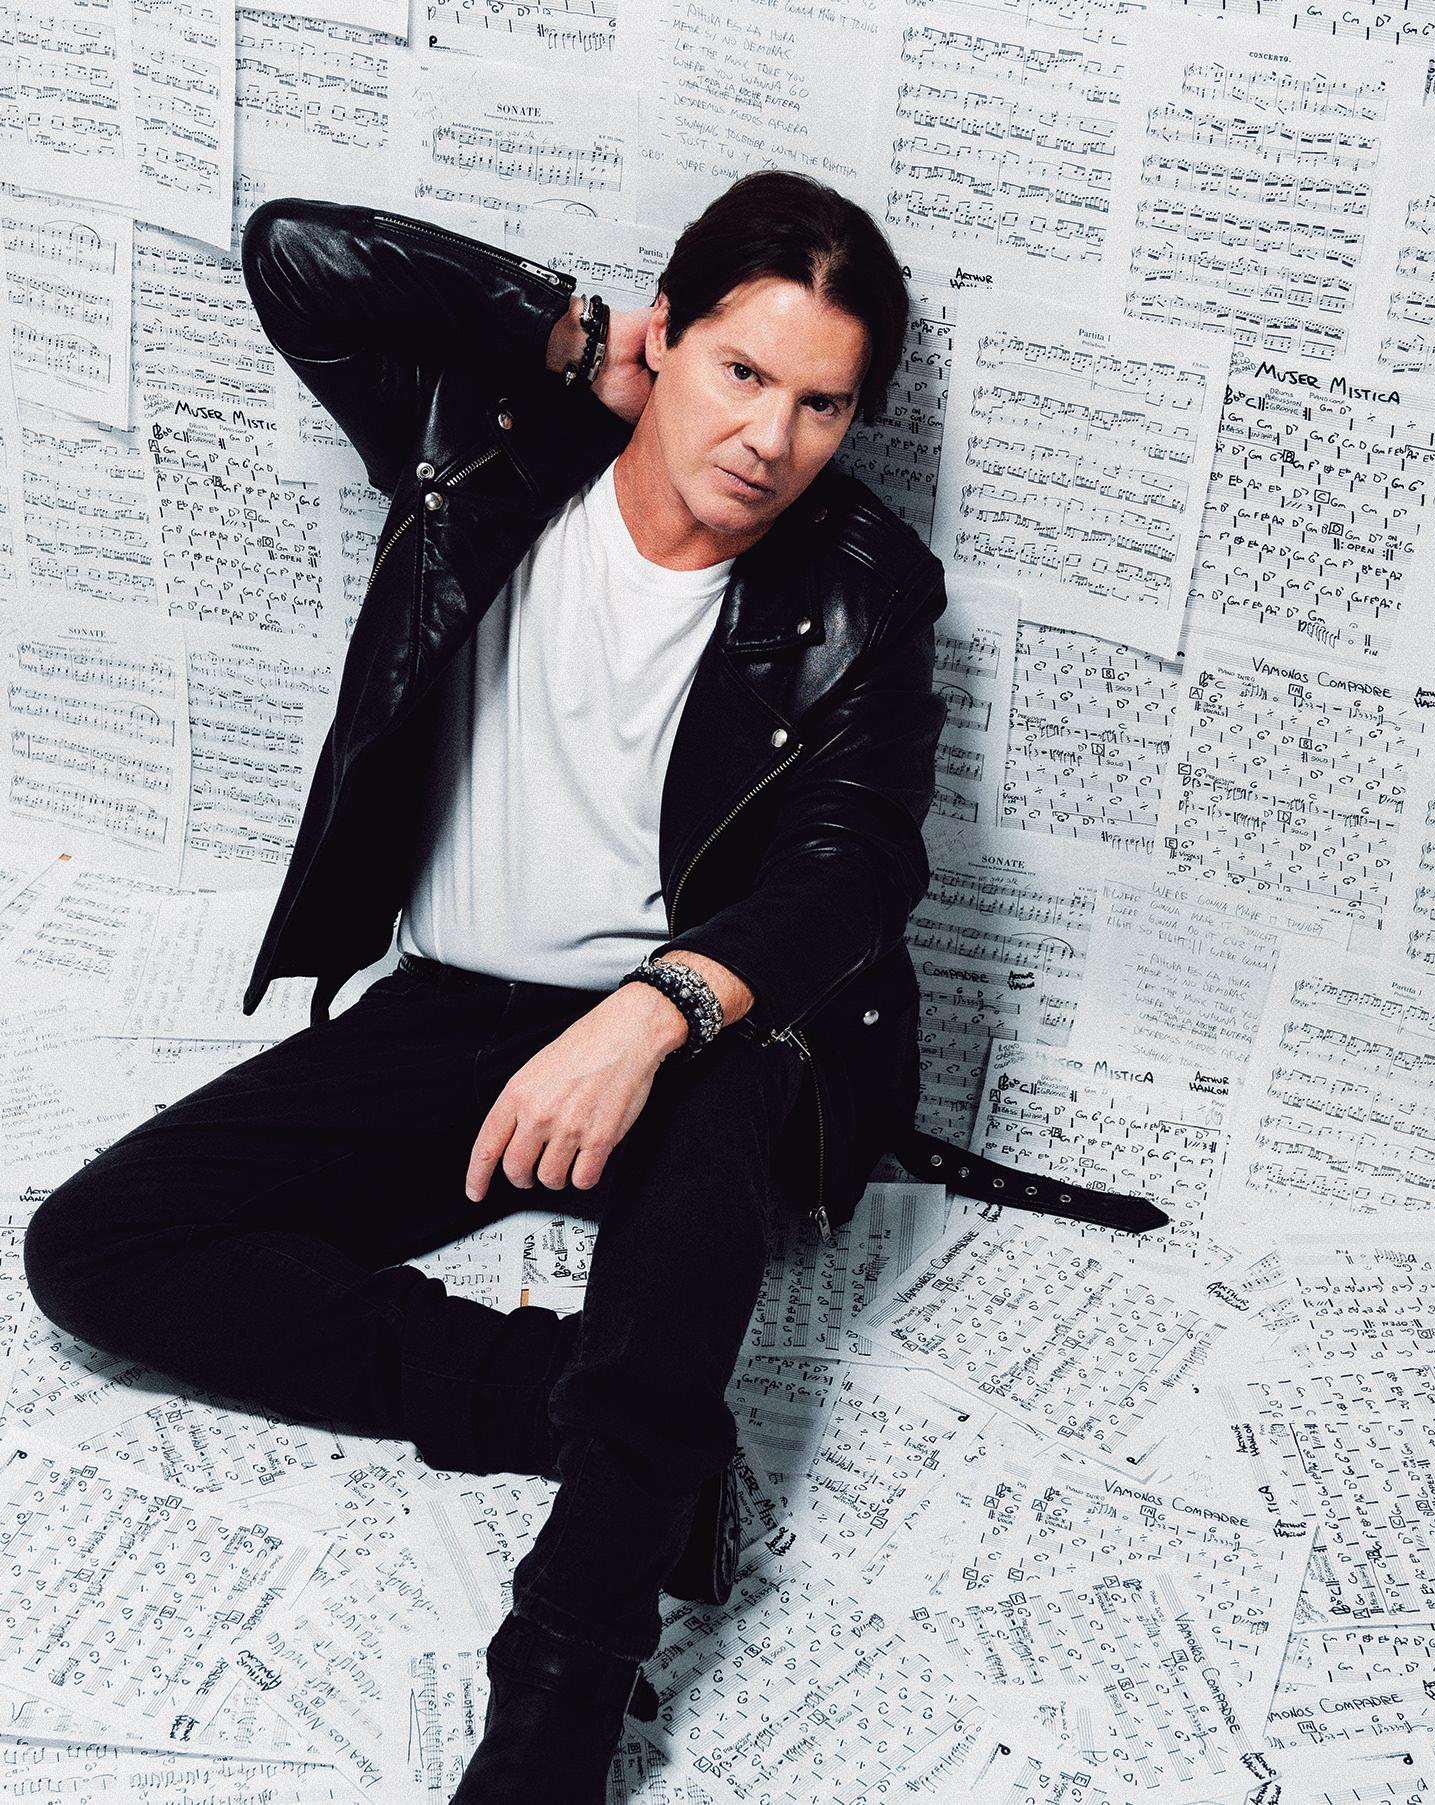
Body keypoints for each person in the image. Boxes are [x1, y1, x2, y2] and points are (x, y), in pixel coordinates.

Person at [21, 171, 952, 1803]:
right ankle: (586, 1412)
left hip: (690, 1030)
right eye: (741, 370)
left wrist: (655, 1014)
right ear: (668, 335)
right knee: (91, 1248)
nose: (768, 439)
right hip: (449, 1015)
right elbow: (295, 257)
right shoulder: (488, 443)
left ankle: (565, 1679)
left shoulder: (866, 586)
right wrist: (566, 337)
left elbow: (853, 865)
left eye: (821, 405)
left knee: (729, 1098)